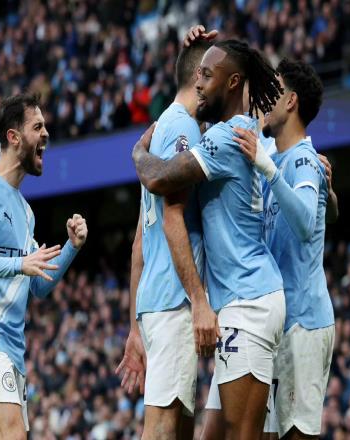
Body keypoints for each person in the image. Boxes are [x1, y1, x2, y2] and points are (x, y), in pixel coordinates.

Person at [132, 39, 285, 440]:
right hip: (245, 297)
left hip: (247, 302)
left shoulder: (226, 137)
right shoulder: (233, 131)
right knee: (214, 433)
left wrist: (138, 152)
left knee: (242, 435)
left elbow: (158, 178)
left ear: (232, 82)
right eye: (197, 73)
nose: (199, 84)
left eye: (208, 75)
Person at [0, 92, 88, 440]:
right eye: (37, 127)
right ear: (13, 137)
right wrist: (20, 262)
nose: (46, 134)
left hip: (13, 349)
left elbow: (37, 285)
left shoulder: (26, 212)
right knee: (14, 434)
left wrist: (71, 247)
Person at [117, 38, 219, 440]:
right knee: (162, 429)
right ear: (200, 78)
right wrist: (198, 299)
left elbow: (138, 244)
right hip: (175, 299)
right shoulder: (181, 127)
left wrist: (134, 327)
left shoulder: (160, 129)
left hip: (155, 300)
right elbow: (173, 219)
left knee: (179, 429)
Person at [232, 59, 336, 439]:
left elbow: (306, 222)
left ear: (291, 101)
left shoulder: (303, 159)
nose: (265, 99)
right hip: (280, 323)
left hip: (304, 322)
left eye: (273, 91)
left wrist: (268, 169)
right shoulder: (277, 156)